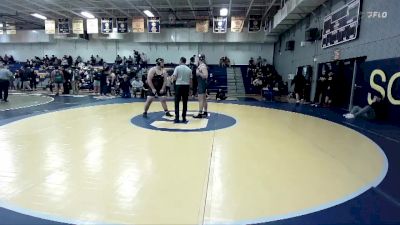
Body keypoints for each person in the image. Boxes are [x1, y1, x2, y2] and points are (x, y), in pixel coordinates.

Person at [172, 57, 192, 123]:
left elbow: (174, 77)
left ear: (180, 61)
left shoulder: (177, 68)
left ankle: (177, 117)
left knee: (177, 102)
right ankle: (184, 117)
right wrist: (190, 89)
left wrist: (172, 80)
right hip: (186, 86)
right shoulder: (189, 69)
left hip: (178, 86)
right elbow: (190, 80)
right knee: (185, 102)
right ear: (185, 61)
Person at [193, 54, 209, 118]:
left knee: (201, 99)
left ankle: (200, 113)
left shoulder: (202, 66)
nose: (196, 60)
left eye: (197, 58)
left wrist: (199, 73)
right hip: (201, 83)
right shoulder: (201, 66)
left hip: (202, 83)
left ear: (200, 59)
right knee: (204, 99)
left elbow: (206, 76)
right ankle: (205, 112)